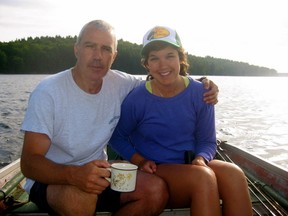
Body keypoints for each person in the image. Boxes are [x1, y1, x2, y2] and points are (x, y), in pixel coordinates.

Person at [20, 20, 218, 216]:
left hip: (101, 170)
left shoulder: (120, 83)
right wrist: (73, 175)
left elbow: (163, 79)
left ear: (113, 56)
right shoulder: (49, 92)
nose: (98, 56)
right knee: (80, 197)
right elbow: (29, 163)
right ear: (77, 49)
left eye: (106, 49)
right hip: (52, 179)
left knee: (156, 191)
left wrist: (201, 85)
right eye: (90, 46)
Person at [109, 26, 253, 216]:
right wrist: (140, 160)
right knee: (202, 178)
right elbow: (117, 137)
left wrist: (201, 158)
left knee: (234, 174)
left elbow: (207, 141)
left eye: (169, 56)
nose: (163, 65)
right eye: (154, 58)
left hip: (192, 164)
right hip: (155, 170)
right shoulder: (137, 99)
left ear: (180, 58)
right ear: (147, 65)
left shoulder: (202, 92)